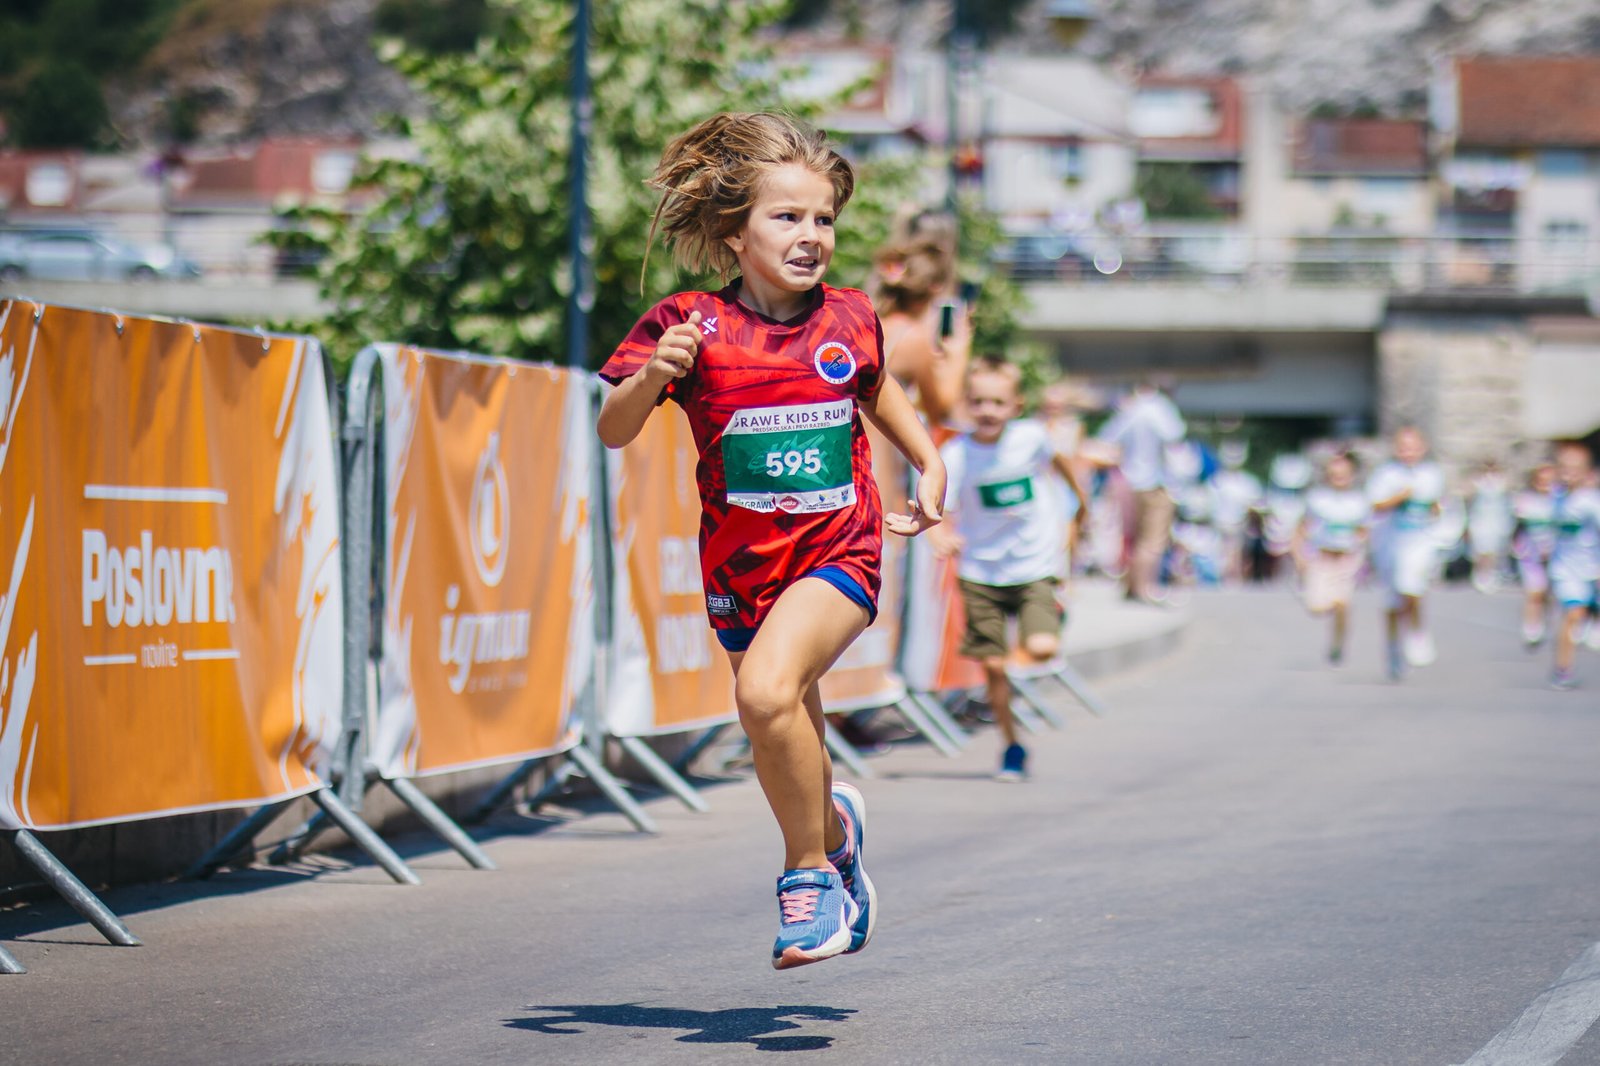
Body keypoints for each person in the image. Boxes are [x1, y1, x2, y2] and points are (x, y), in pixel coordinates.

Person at [596, 112, 947, 969]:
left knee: (762, 694)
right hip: (741, 568)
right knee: (781, 725)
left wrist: (929, 463)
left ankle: (809, 878)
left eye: (824, 218)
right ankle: (835, 835)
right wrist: (653, 375)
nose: (810, 234)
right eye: (786, 217)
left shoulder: (850, 317)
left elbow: (878, 389)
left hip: (838, 551)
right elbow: (613, 428)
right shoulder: (688, 323)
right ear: (734, 231)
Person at [929, 357, 1089, 780]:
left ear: (1016, 406)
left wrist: (1079, 505)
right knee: (994, 670)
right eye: (978, 401)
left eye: (998, 402)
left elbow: (1061, 465)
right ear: (966, 404)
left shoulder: (1031, 437)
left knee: (1041, 648)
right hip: (980, 572)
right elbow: (940, 504)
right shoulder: (956, 454)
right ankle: (1011, 745)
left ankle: (1051, 612)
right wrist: (940, 533)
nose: (988, 411)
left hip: (1033, 564)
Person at [1093, 379, 1185, 603]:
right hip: (1155, 483)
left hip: (1129, 482)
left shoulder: (1130, 408)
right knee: (1152, 540)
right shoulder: (1160, 407)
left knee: (1132, 537)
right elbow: (1174, 435)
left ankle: (1131, 587)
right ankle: (1145, 588)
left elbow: (1107, 438)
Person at [1367, 426, 1446, 681]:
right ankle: (1393, 648)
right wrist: (1400, 496)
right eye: (1403, 448)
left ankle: (1417, 632)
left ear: (1423, 448)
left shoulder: (1432, 474)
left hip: (1420, 541)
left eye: (1413, 447)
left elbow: (1436, 505)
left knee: (1412, 588)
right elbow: (1375, 505)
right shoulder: (1386, 474)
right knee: (1392, 601)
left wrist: (1437, 514)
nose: (1408, 453)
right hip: (1390, 542)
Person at [871, 231, 970, 426]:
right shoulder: (913, 338)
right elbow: (940, 410)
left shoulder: (873, 323)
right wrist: (959, 355)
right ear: (936, 286)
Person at [1292, 452, 1371, 665]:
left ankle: (1338, 643)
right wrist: (1299, 556)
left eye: (1343, 474)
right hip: (1322, 558)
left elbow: (1365, 530)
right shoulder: (1317, 499)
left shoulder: (1360, 501)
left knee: (1342, 603)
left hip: (1347, 559)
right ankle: (1331, 608)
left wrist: (1364, 551)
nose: (1339, 479)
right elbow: (1301, 528)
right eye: (1334, 475)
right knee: (1316, 607)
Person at [1547, 442, 1600, 690]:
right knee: (1572, 614)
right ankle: (1563, 669)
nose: (1568, 473)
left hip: (1592, 568)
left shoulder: (1590, 501)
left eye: (1574, 468)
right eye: (1564, 467)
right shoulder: (1555, 497)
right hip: (1566, 570)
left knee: (1580, 614)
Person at [1511, 462, 1558, 649]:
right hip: (1530, 554)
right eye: (1541, 481)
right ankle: (1531, 627)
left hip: (1555, 554)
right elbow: (1517, 526)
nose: (1544, 485)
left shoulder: (1561, 500)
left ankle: (1545, 619)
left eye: (1549, 481)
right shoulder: (1525, 500)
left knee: (1548, 593)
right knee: (1534, 591)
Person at [1466, 460, 1513, 594]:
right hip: (1483, 518)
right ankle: (1480, 574)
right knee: (1481, 549)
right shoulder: (1477, 480)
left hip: (1493, 518)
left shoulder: (1502, 481)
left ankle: (1491, 574)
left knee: (1493, 550)